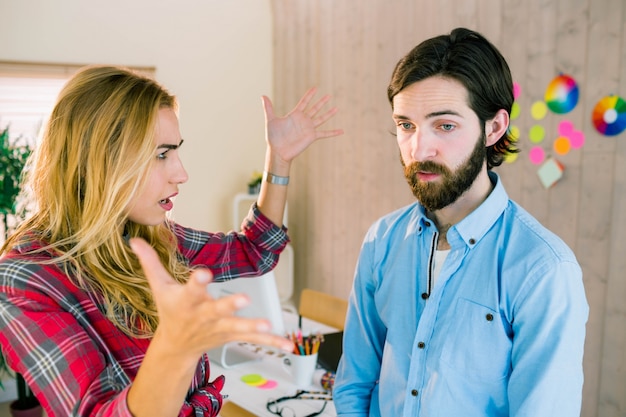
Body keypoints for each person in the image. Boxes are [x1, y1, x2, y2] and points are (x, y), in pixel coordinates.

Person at [0, 65, 343, 417]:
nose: (182, 173)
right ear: (101, 159)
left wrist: (279, 160)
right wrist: (175, 349)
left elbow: (253, 251)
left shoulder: (150, 236)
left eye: (176, 151)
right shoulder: (27, 279)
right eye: (162, 154)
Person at [333, 27, 588, 417]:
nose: (419, 148)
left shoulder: (544, 269)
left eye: (445, 126)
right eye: (406, 126)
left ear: (494, 127)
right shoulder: (381, 241)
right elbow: (355, 384)